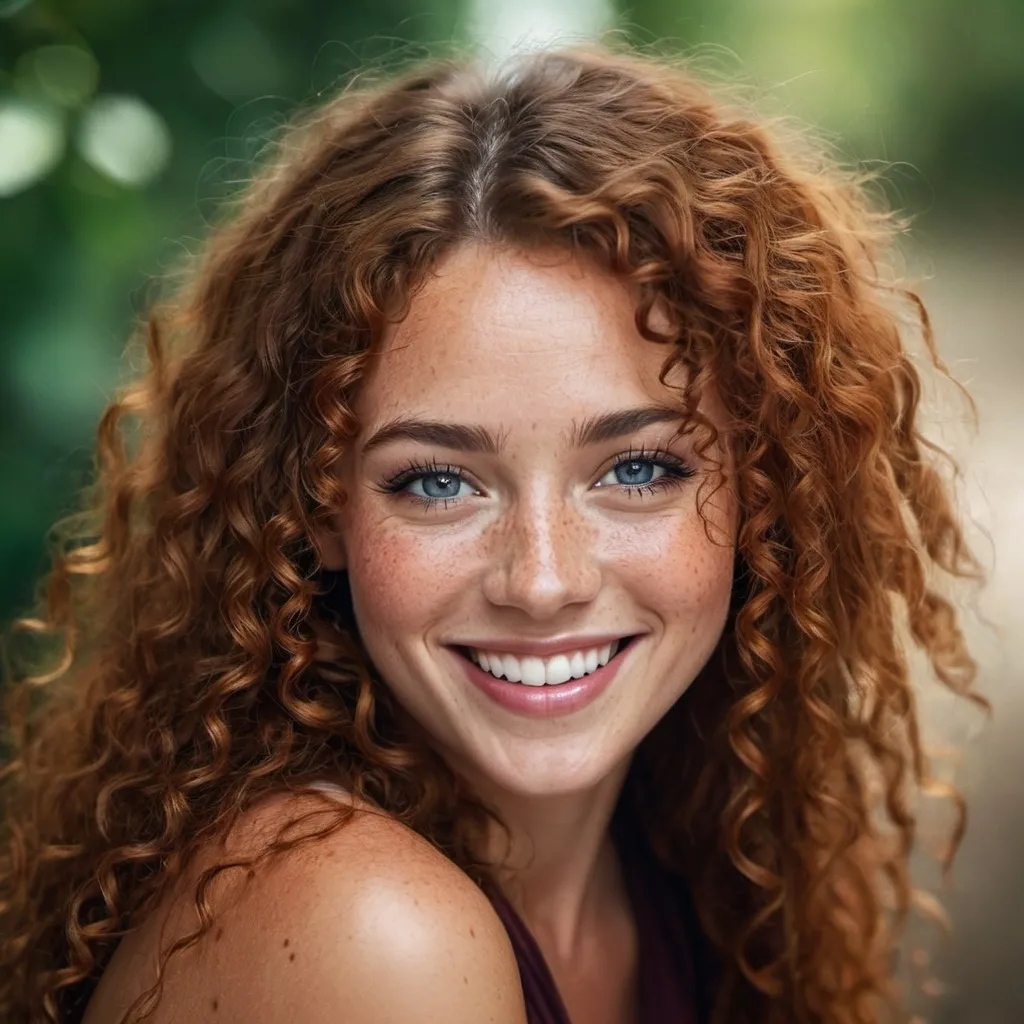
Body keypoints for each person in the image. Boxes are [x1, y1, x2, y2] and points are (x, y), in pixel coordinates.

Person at [0, 42, 984, 1024]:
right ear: (318, 510)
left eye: (638, 468)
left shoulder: (689, 853)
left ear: (762, 487)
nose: (543, 579)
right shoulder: (371, 931)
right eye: (437, 480)